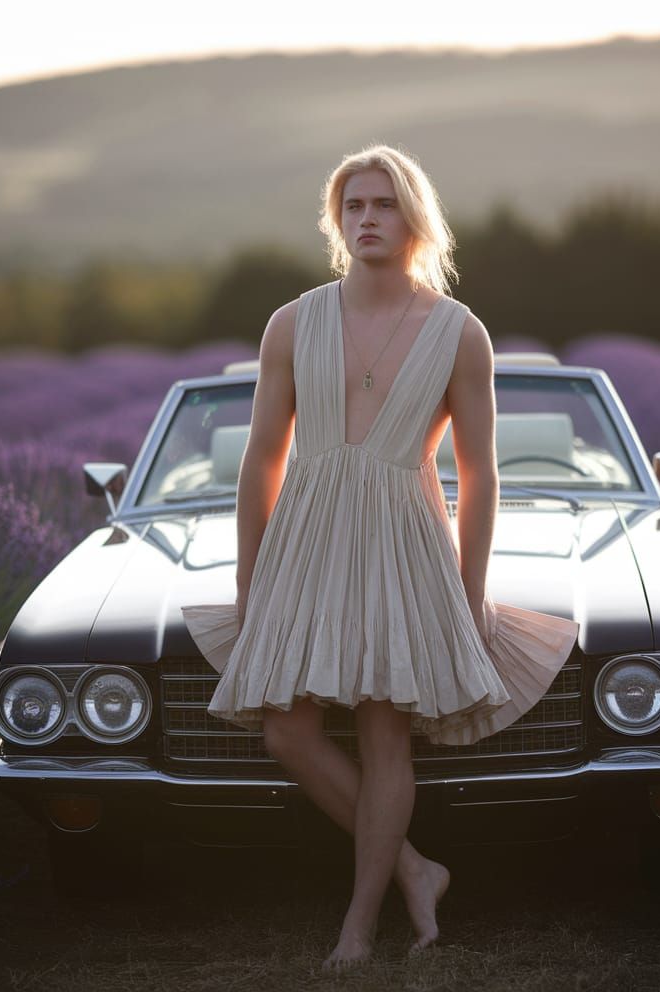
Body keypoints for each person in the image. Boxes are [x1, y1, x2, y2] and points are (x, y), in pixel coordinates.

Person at [181, 144, 579, 971]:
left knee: (384, 734)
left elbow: (481, 473)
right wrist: (248, 577)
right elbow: (261, 459)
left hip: (406, 544)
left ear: (414, 219)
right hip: (305, 543)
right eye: (353, 206)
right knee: (287, 731)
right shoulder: (292, 323)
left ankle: (357, 928)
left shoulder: (460, 333)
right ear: (337, 222)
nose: (367, 218)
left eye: (383, 205)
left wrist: (471, 593)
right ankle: (415, 868)